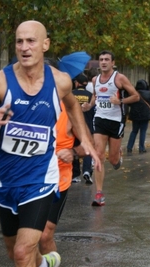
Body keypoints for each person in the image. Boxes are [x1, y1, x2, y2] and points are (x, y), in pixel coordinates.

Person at [0, 20, 100, 267]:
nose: (25, 47)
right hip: (4, 179)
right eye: (19, 41)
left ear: (45, 45)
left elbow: (71, 105)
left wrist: (86, 140)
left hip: (41, 178)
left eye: (31, 41)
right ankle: (44, 263)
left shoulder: (60, 81)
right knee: (14, 251)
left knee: (21, 252)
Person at [82, 50, 140, 206]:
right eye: (101, 59)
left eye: (107, 59)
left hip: (116, 121)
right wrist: (90, 105)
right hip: (100, 119)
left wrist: (120, 102)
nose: (103, 62)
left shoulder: (119, 78)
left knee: (113, 160)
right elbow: (96, 95)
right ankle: (99, 194)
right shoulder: (95, 79)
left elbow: (136, 96)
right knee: (99, 154)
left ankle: (117, 156)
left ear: (113, 62)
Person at [39, 101, 92, 258]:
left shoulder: (69, 111)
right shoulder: (25, 104)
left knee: (45, 234)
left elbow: (89, 145)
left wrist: (73, 152)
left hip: (57, 180)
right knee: (24, 237)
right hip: (28, 177)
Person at [71, 73, 95, 184]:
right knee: (87, 149)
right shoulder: (91, 96)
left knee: (74, 149)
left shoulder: (70, 94)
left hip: (73, 126)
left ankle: (75, 175)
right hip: (87, 126)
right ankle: (87, 171)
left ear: (77, 83)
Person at [127, 79, 150, 153]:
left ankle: (129, 147)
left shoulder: (133, 93)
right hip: (145, 115)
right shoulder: (148, 93)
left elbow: (129, 103)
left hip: (135, 115)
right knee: (143, 131)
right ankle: (141, 148)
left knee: (134, 131)